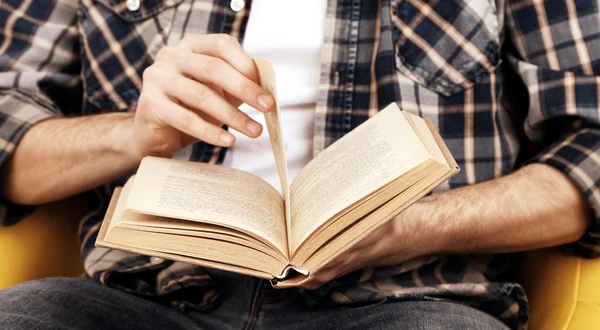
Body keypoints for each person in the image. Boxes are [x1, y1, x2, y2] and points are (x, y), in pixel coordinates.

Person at [0, 0, 597, 329]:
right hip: (143, 293)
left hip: (403, 302)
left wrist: (408, 226)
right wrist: (135, 132)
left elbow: (589, 155)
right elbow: (9, 143)